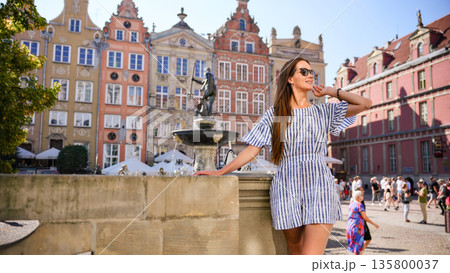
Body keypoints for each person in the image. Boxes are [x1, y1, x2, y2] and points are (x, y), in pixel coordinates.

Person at [195, 57, 371, 255]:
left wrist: (333, 92)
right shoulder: (275, 115)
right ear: (289, 79)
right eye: (303, 72)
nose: (310, 75)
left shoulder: (324, 111)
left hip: (320, 184)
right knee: (295, 252)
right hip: (287, 183)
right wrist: (221, 172)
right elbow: (252, 150)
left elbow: (365, 103)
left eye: (311, 72)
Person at [346, 190, 379, 255]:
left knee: (356, 247)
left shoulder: (351, 204)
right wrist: (374, 224)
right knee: (358, 247)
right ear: (358, 197)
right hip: (357, 227)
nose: (362, 196)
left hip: (350, 226)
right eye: (361, 195)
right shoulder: (360, 205)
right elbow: (365, 217)